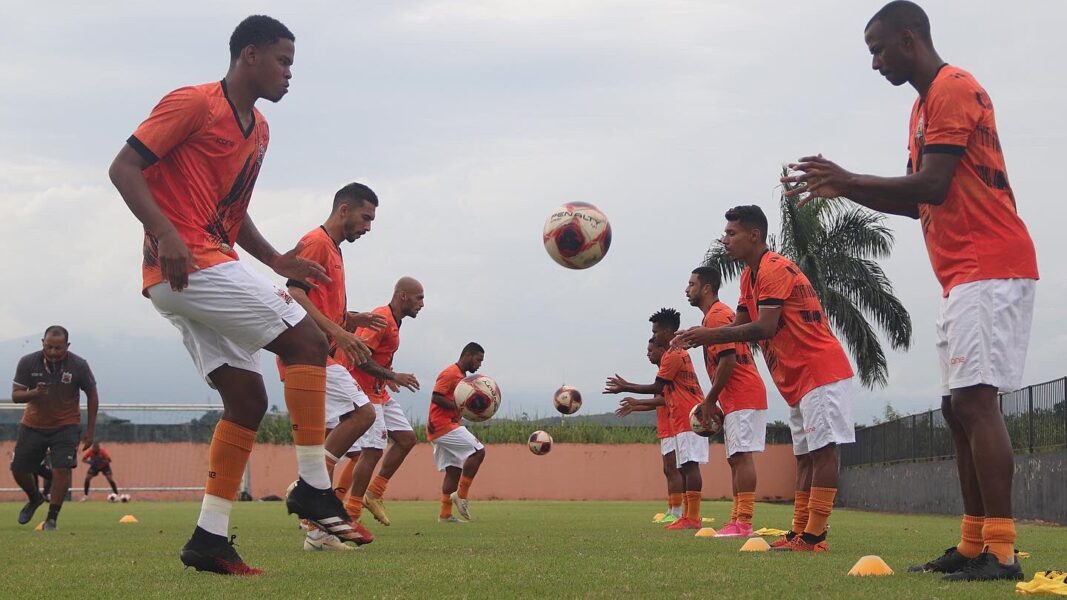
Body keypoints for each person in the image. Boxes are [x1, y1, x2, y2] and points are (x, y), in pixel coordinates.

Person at [780, 1, 1037, 580]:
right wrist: (843, 190)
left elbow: (936, 184)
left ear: (909, 39)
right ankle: (974, 544)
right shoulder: (921, 108)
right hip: (964, 274)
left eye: (878, 49)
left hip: (991, 264)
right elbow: (918, 198)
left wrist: (849, 178)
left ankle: (1001, 548)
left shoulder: (952, 87)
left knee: (975, 402)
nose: (874, 63)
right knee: (956, 408)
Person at [108, 15, 359, 574]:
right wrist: (166, 233)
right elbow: (124, 168)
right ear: (250, 54)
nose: (290, 74)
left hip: (193, 271)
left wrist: (274, 259)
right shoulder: (193, 103)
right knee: (306, 340)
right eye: (283, 61)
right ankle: (314, 487)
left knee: (247, 398)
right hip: (188, 263)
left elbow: (231, 214)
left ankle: (209, 539)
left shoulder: (260, 131)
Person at [674, 206, 855, 552]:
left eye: (731, 233)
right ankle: (801, 530)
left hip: (820, 370)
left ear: (753, 235)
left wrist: (707, 336)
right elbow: (737, 328)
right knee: (804, 456)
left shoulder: (773, 268)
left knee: (823, 452)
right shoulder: (748, 277)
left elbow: (764, 327)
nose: (725, 240)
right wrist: (699, 334)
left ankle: (815, 536)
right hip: (798, 379)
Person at [279, 183, 384, 550]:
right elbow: (294, 292)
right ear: (344, 209)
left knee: (336, 433)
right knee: (363, 415)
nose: (368, 227)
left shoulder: (334, 250)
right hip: (307, 354)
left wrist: (352, 319)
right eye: (365, 217)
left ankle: (317, 532)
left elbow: (322, 306)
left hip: (319, 355)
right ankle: (308, 487)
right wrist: (341, 331)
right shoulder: (317, 242)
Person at [686, 267, 768, 538]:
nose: (687, 290)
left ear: (706, 288)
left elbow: (729, 360)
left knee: (741, 457)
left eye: (692, 284)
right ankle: (736, 519)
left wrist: (709, 401)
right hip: (737, 397)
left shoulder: (718, 315)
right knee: (736, 458)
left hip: (743, 394)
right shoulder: (714, 316)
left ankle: (743, 522)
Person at [607, 309, 707, 531]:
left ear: (667, 331)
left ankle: (690, 516)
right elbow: (664, 394)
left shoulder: (673, 355)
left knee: (688, 467)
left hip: (688, 417)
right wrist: (635, 402)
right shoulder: (675, 353)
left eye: (656, 332)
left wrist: (625, 387)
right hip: (683, 418)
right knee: (683, 467)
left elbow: (657, 390)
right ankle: (686, 515)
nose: (654, 337)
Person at [340, 277, 424, 526]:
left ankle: (374, 493)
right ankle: (351, 513)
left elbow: (377, 356)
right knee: (372, 450)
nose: (422, 304)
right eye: (419, 298)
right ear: (403, 297)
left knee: (407, 439)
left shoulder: (395, 322)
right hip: (362, 391)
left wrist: (387, 376)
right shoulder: (382, 318)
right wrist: (392, 375)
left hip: (379, 390)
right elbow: (358, 356)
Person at [10, 326, 98, 531]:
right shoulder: (27, 362)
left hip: (66, 425)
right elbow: (16, 395)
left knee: (62, 469)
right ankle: (34, 498)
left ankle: (52, 518)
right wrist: (34, 393)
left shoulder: (78, 365)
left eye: (58, 348)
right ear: (43, 343)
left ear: (67, 346)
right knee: (19, 469)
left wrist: (90, 431)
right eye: (49, 347)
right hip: (33, 424)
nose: (53, 352)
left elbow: (92, 395)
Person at [613, 338, 684, 524]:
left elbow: (664, 399)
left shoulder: (669, 370)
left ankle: (677, 512)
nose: (648, 353)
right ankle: (672, 508)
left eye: (651, 350)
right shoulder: (661, 373)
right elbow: (659, 401)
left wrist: (636, 399)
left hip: (673, 424)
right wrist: (635, 407)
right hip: (665, 426)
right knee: (668, 469)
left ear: (662, 349)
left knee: (673, 469)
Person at [429, 343, 488, 523]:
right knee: (478, 451)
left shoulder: (462, 378)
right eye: (478, 360)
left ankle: (445, 514)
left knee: (454, 470)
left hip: (444, 425)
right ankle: (461, 495)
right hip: (442, 425)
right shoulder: (450, 373)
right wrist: (461, 406)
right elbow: (436, 397)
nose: (479, 365)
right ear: (468, 355)